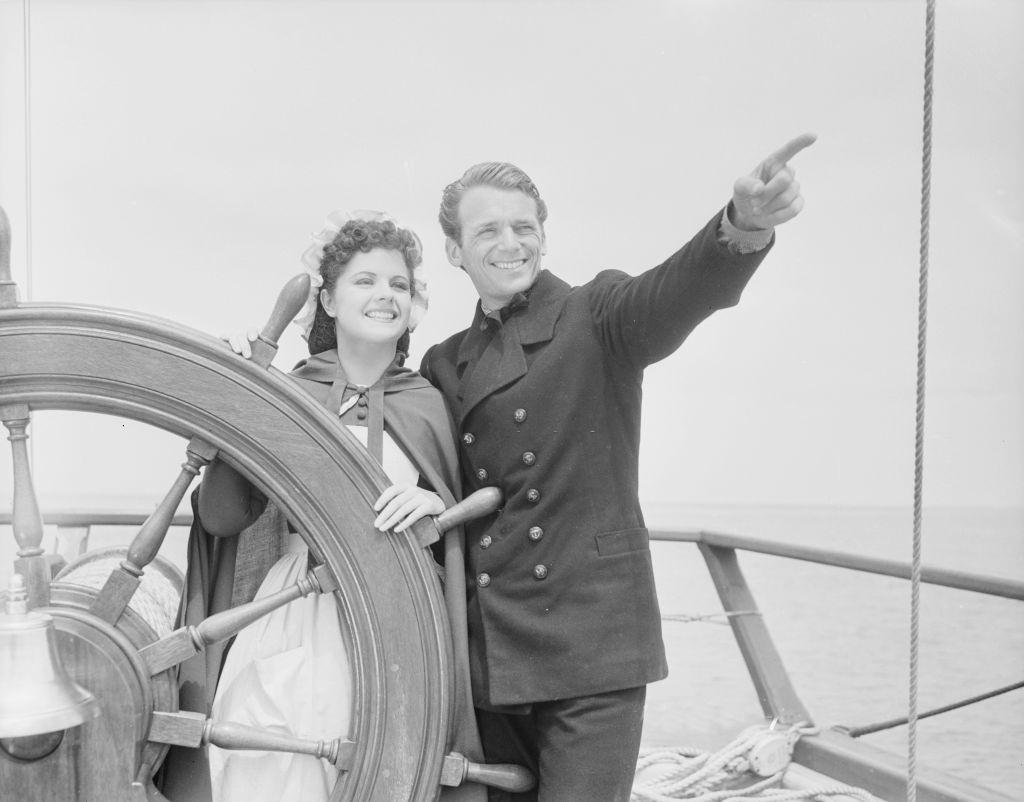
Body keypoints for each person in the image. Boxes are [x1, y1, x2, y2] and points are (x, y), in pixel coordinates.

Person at [419, 135, 816, 801]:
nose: (510, 242)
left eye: (524, 226)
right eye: (488, 230)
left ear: (544, 237)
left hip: (590, 648)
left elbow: (673, 293)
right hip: (491, 655)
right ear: (456, 251)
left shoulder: (595, 313)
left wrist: (742, 225)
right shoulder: (446, 363)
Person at [160, 212, 486, 802]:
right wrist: (237, 399)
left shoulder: (428, 406)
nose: (384, 294)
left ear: (413, 305)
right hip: (294, 610)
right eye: (365, 281)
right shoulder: (288, 393)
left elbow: (454, 536)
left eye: (398, 284)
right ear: (328, 301)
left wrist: (434, 502)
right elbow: (222, 518)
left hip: (399, 615)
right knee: (270, 764)